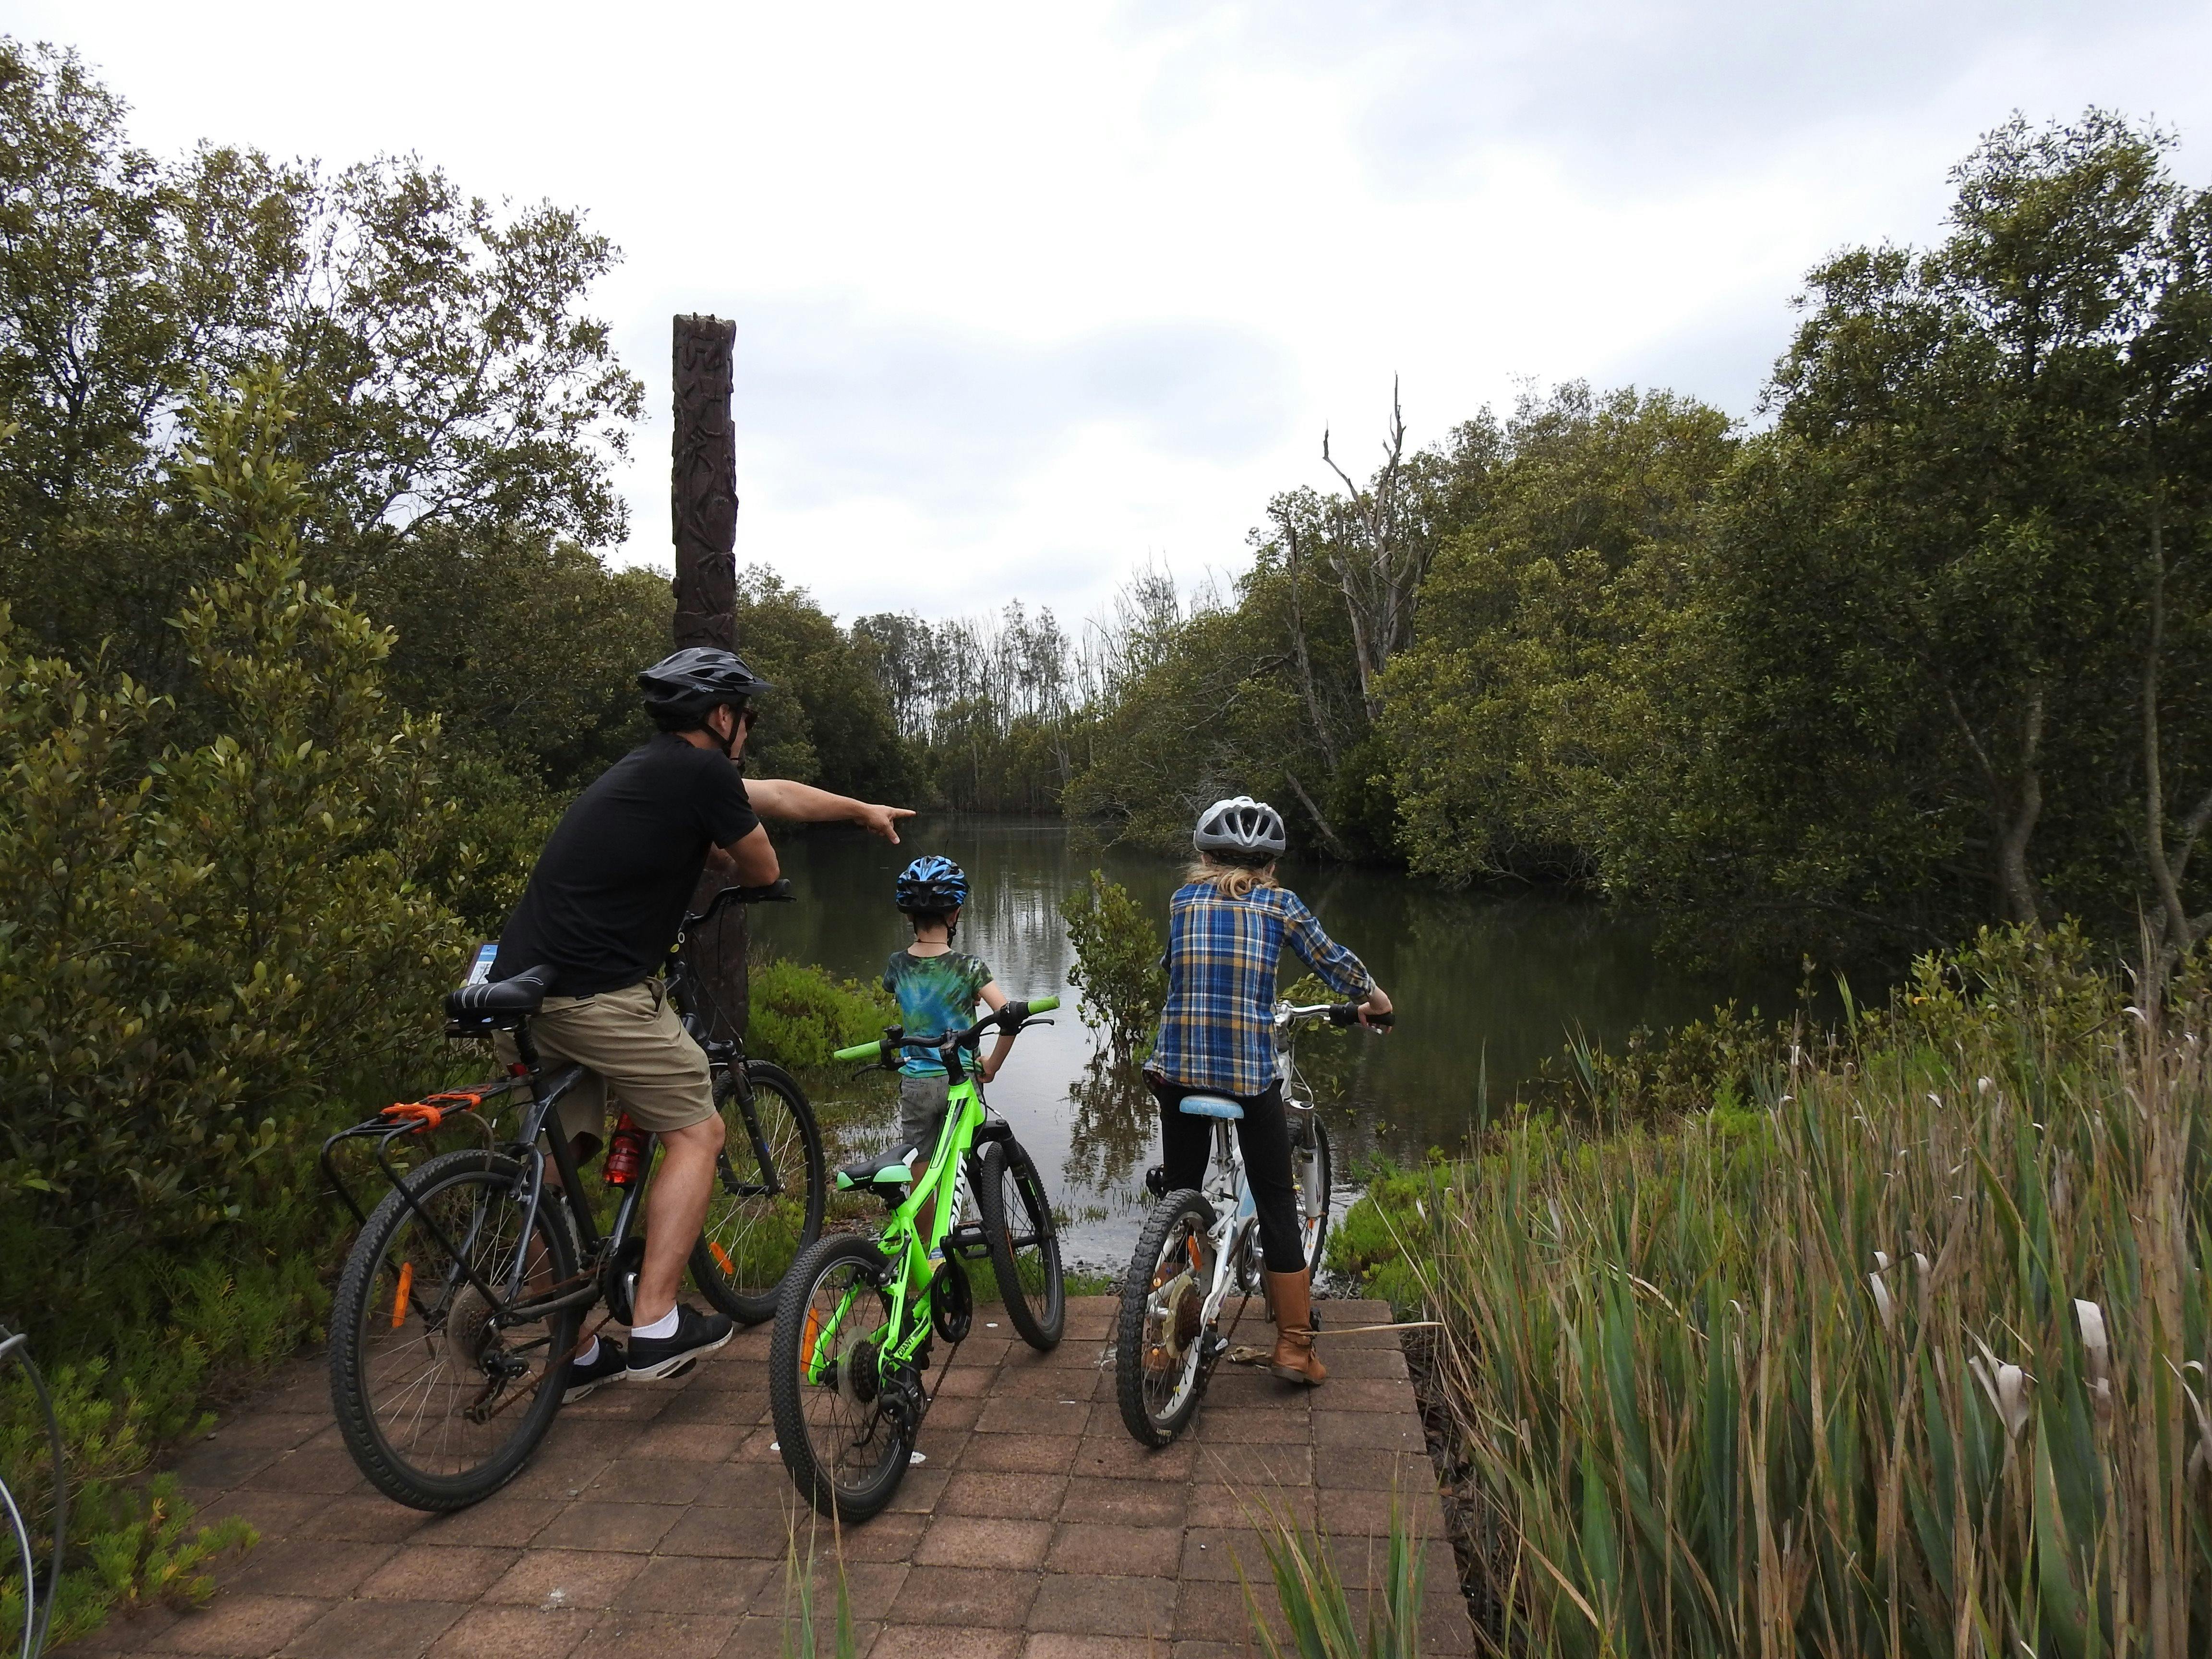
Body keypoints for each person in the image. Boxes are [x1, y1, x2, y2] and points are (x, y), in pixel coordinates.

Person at [489, 646, 913, 1398]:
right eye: (746, 715)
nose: (747, 728)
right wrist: (720, 856)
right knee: (699, 1131)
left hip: (520, 987)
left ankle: (567, 1342)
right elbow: (761, 866)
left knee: (565, 1149)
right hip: (599, 994)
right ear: (722, 717)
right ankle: (653, 1326)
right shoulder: (702, 774)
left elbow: (773, 793)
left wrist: (859, 811)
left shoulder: (648, 771)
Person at [1145, 796, 1391, 1387]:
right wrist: (1375, 1001)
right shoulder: (1280, 906)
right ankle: (1294, 1348)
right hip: (1247, 1076)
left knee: (1181, 1192)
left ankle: (1161, 1331)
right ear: (1272, 865)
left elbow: (1174, 964)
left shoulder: (1183, 901)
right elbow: (1334, 962)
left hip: (1174, 1070)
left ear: (1203, 855)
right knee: (1278, 1199)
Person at [877, 856, 1016, 1242]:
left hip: (916, 1085)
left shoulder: (898, 965)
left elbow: (904, 999)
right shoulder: (968, 967)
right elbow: (1007, 1016)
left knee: (921, 1168)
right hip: (959, 1082)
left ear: (909, 917)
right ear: (955, 913)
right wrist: (992, 1064)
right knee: (965, 1158)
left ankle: (927, 1254)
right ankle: (996, 1237)